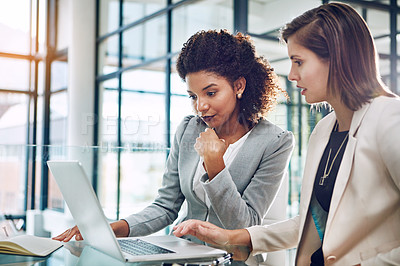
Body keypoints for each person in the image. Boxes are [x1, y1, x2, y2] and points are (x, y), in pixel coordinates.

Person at [173, 3, 400, 265]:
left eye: (299, 62)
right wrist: (234, 237)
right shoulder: (324, 130)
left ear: (337, 58)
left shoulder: (390, 118)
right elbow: (309, 222)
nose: (291, 75)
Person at [54, 29, 294, 245]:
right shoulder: (190, 129)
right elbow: (166, 206)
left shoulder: (275, 142)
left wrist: (215, 166)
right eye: (193, 96)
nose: (200, 106)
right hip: (182, 253)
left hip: (232, 259)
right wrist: (116, 227)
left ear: (239, 86)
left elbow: (245, 225)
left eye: (211, 93)